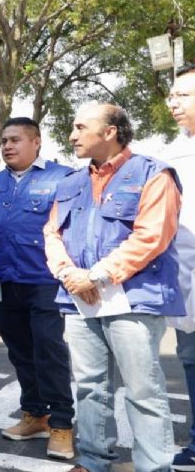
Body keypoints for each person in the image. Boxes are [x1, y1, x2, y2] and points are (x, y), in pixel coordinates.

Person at [43, 102, 183, 472]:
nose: (71, 135)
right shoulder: (70, 182)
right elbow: (52, 234)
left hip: (133, 299)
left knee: (143, 391)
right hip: (80, 300)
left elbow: (152, 236)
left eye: (80, 127)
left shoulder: (153, 174)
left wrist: (96, 275)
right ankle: (92, 461)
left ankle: (154, 467)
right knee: (89, 386)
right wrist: (68, 273)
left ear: (110, 132)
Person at [0, 118, 75, 460]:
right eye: (4, 140)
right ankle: (35, 415)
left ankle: (62, 424)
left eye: (15, 140)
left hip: (44, 281)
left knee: (48, 352)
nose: (7, 146)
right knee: (19, 352)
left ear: (36, 142)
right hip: (5, 281)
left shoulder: (62, 178)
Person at [168, 63, 195, 471]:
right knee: (190, 359)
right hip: (185, 280)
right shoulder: (171, 151)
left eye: (183, 96)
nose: (173, 102)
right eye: (172, 96)